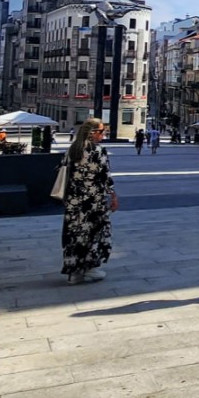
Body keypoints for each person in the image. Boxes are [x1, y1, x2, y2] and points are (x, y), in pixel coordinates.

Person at [61, 117, 118, 285]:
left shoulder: (72, 149)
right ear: (92, 133)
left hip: (73, 200)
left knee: (74, 234)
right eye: (101, 131)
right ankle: (90, 268)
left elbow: (62, 170)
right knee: (94, 233)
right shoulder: (97, 151)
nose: (103, 134)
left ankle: (74, 272)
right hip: (93, 201)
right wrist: (113, 196)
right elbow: (105, 176)